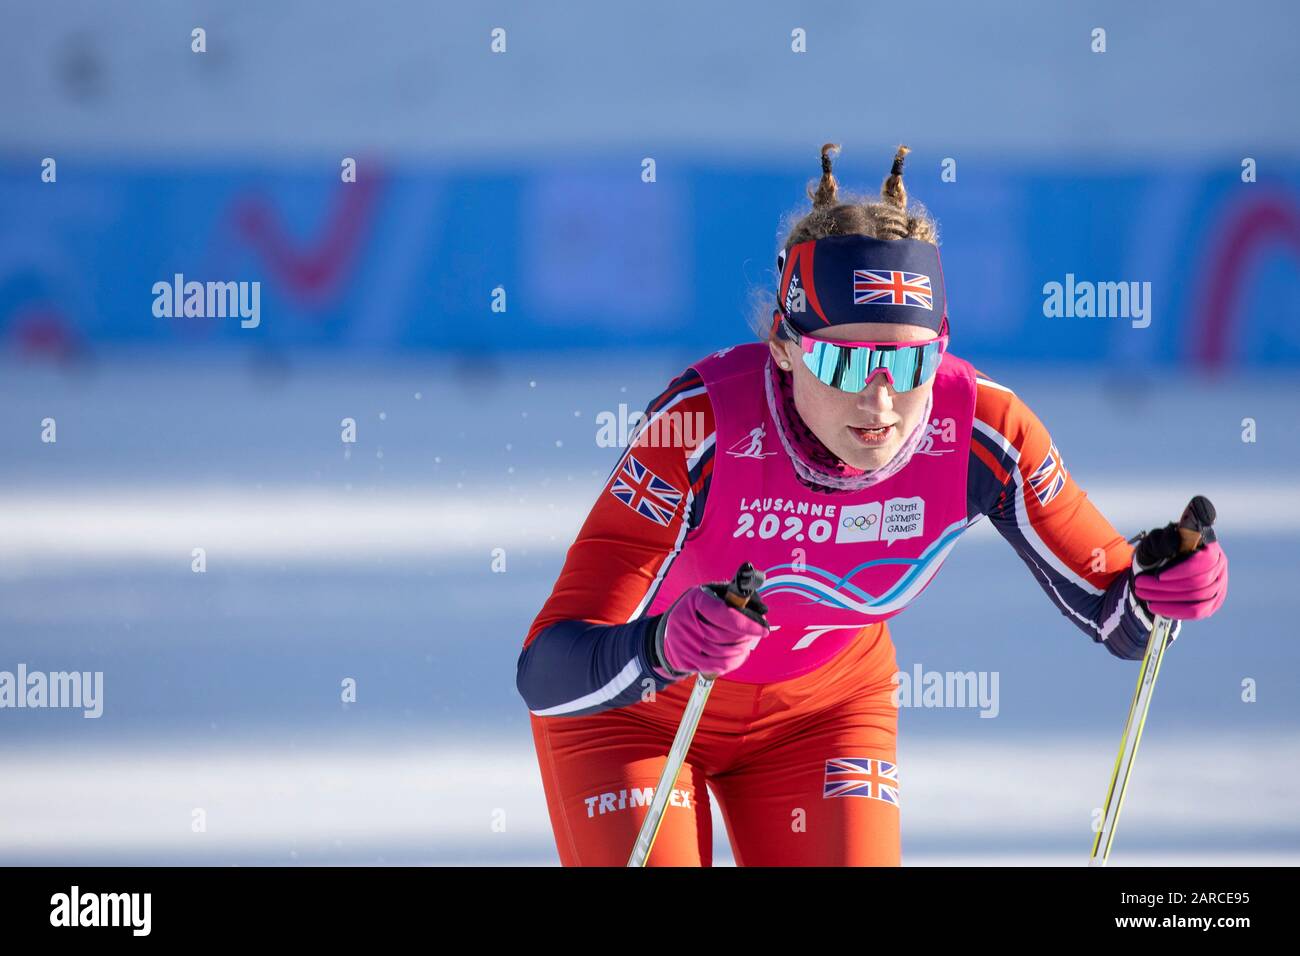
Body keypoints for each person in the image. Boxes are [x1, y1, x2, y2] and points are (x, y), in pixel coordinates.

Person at [515, 143, 1229, 866]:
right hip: (637, 716)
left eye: (908, 362)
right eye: (843, 361)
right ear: (785, 346)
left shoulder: (985, 430)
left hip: (823, 716)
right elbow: (547, 671)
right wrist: (659, 645)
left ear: (941, 346)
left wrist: (1168, 582)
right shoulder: (700, 426)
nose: (879, 401)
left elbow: (1116, 614)